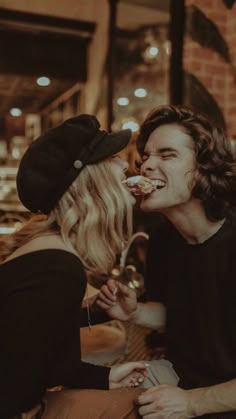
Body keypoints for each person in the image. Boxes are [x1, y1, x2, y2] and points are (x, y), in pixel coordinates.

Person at [0, 114, 148, 419]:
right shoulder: (58, 267)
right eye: (113, 157)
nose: (126, 165)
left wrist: (105, 375)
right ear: (90, 181)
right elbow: (18, 385)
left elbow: (33, 343)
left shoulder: (49, 251)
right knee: (145, 407)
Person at [97, 105, 236, 418]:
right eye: (146, 156)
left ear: (204, 168)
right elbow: (184, 312)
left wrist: (192, 403)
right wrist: (136, 312)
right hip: (180, 378)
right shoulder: (163, 239)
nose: (147, 166)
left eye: (167, 155)